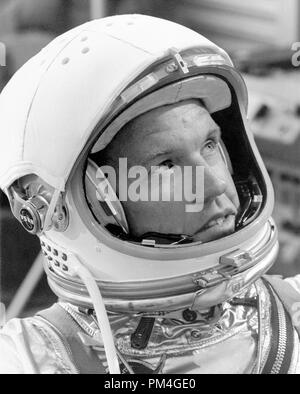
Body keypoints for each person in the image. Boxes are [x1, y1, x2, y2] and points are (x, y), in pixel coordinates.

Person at [0, 14, 300, 374]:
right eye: (167, 166)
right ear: (95, 203)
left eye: (209, 144)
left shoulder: (292, 317)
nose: (217, 185)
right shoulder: (27, 360)